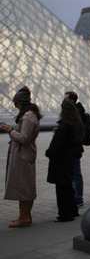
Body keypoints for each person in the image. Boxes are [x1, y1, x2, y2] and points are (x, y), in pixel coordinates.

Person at [1, 86, 43, 228]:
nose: (15, 106)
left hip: (24, 155)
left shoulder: (28, 117)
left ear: (21, 103)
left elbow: (24, 138)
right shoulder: (29, 116)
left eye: (16, 103)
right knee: (23, 186)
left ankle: (25, 217)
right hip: (23, 154)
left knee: (24, 187)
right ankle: (24, 216)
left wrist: (10, 131)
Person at [45, 100, 84, 222]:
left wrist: (48, 152)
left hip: (61, 162)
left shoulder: (64, 127)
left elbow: (56, 147)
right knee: (68, 188)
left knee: (61, 190)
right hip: (70, 160)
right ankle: (72, 210)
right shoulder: (76, 125)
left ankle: (65, 214)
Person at [63, 91, 86, 207]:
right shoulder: (75, 112)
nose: (63, 101)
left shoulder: (77, 114)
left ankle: (78, 199)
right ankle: (75, 197)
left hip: (74, 147)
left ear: (71, 101)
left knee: (76, 173)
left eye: (65, 99)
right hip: (74, 147)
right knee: (73, 173)